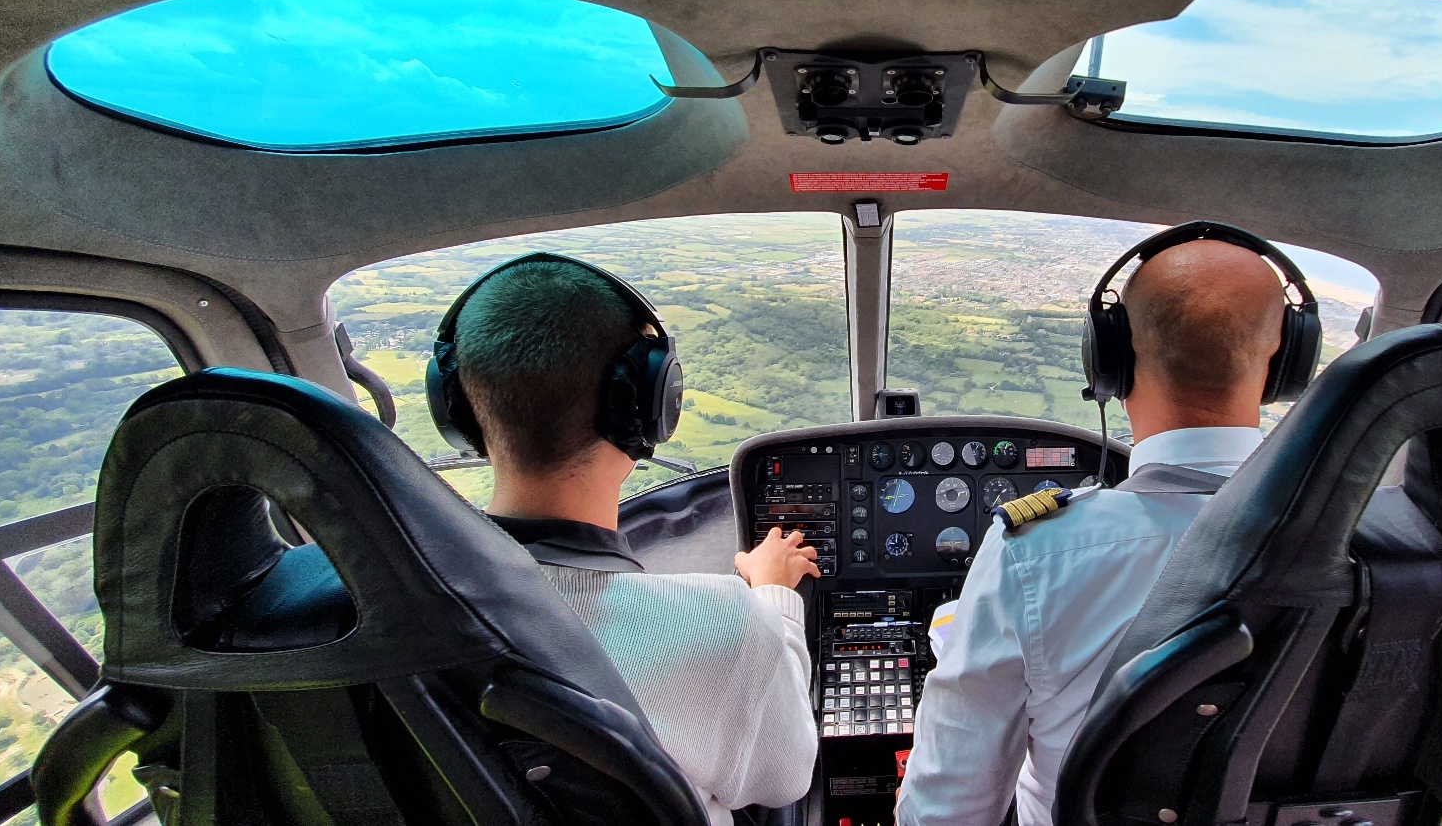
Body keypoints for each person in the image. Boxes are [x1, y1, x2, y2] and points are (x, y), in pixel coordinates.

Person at [896, 229, 1307, 826]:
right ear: (1286, 363)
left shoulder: (1034, 554)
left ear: (1111, 362)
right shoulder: (1384, 546)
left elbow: (948, 812)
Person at [428, 254, 820, 825]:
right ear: (647, 403)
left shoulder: (366, 608)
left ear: (456, 409)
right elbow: (785, 779)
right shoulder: (725, 623)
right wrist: (773, 601)